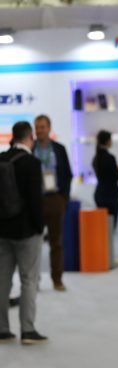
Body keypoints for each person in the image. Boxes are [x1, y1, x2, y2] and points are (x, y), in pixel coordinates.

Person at [0, 121, 47, 345]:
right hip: (27, 230)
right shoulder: (31, 163)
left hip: (2, 230)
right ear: (30, 137)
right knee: (29, 279)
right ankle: (27, 330)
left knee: (2, 279)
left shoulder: (1, 159)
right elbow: (35, 201)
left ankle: (2, 329)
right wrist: (40, 227)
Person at [33, 114, 73, 292]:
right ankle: (34, 280)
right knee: (33, 243)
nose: (40, 130)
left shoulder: (59, 149)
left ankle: (57, 279)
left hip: (55, 199)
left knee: (56, 242)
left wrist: (63, 197)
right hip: (36, 200)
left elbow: (67, 174)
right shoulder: (31, 148)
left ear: (49, 128)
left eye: (43, 127)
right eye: (37, 127)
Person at [92, 130, 118, 229]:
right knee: (110, 226)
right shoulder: (109, 157)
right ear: (107, 141)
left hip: (100, 194)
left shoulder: (96, 158)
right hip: (110, 195)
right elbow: (115, 175)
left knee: (103, 227)